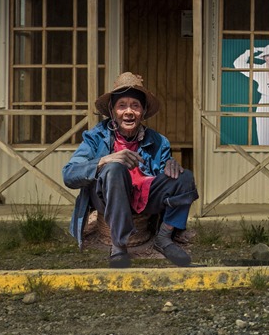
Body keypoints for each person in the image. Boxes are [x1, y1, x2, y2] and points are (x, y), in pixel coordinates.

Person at [62, 72, 197, 267]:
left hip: (144, 197)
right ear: (112, 110)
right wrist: (104, 160)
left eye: (135, 105)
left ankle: (164, 238)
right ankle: (118, 245)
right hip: (107, 199)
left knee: (184, 178)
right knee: (114, 169)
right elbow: (69, 175)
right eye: (122, 105)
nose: (128, 112)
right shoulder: (95, 137)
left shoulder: (158, 141)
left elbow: (166, 177)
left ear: (143, 111)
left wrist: (171, 164)